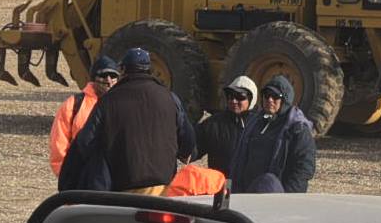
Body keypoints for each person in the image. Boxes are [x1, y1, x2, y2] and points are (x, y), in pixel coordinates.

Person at [60, 48, 192, 194]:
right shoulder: (170, 98)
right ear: (150, 69)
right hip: (164, 186)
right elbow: (187, 140)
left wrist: (68, 182)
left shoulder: (108, 101)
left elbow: (84, 142)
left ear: (123, 70)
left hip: (124, 189)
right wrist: (184, 152)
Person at [229, 76, 317, 193]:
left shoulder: (297, 129)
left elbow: (304, 168)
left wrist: (287, 198)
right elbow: (239, 159)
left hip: (276, 196)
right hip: (246, 194)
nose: (270, 99)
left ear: (285, 99)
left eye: (275, 96)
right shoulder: (254, 123)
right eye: (266, 95)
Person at [48, 54, 119, 177]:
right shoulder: (74, 104)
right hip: (81, 175)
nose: (108, 80)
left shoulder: (123, 103)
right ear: (92, 78)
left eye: (113, 75)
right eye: (103, 75)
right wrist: (66, 174)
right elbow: (59, 142)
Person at [197, 75, 258, 172]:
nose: (234, 101)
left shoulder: (261, 125)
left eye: (239, 97)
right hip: (221, 184)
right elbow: (193, 149)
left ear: (251, 99)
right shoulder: (214, 124)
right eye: (230, 96)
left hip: (250, 185)